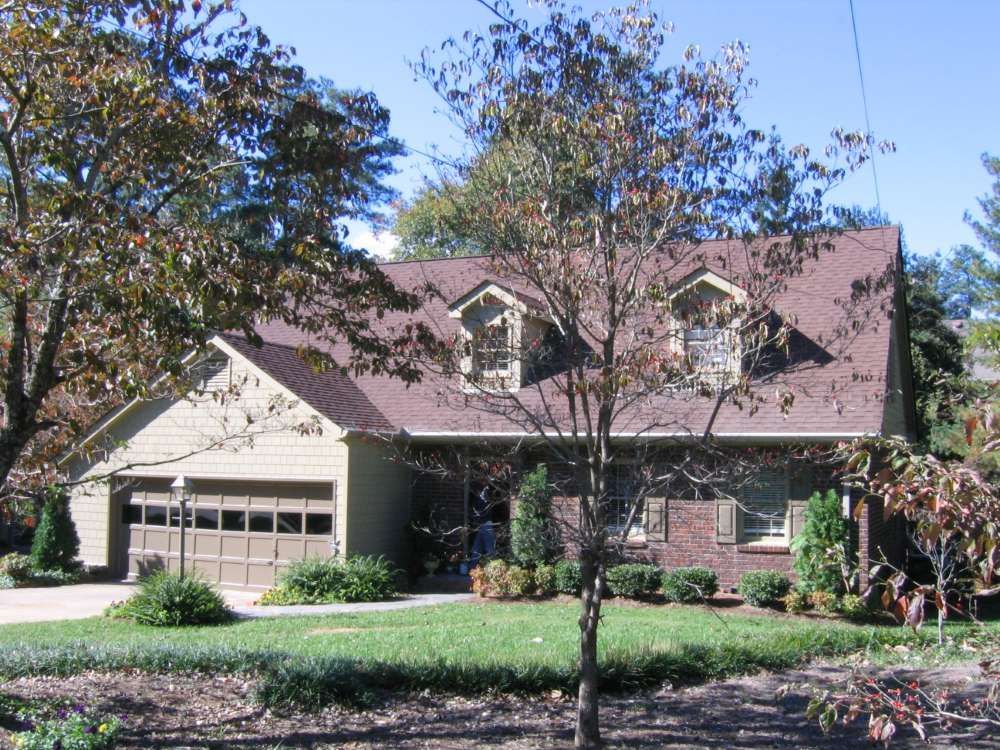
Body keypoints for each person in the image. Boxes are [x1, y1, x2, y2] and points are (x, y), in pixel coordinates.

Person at [469, 483, 496, 565]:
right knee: (477, 548)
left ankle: (494, 569)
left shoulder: (485, 498)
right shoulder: (482, 498)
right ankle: (473, 568)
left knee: (489, 548)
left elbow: (481, 513)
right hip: (482, 525)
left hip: (486, 525)